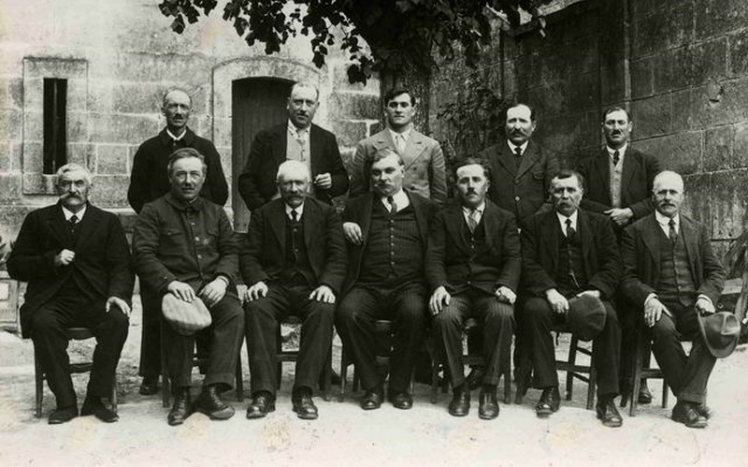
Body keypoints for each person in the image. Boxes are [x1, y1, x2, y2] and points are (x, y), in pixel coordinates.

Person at [8, 163, 133, 424]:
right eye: (66, 184)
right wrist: (51, 260)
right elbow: (16, 265)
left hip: (95, 299)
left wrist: (117, 294)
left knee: (117, 320)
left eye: (79, 183)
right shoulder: (38, 220)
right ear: (57, 188)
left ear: (90, 188)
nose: (73, 189)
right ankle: (65, 402)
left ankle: (95, 398)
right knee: (42, 323)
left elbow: (122, 265)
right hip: (52, 300)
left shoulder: (107, 221)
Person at [132, 148, 244, 426]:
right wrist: (170, 283)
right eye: (181, 174)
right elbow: (143, 254)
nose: (188, 180)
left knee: (235, 314)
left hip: (213, 287)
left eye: (194, 174)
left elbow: (231, 250)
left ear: (204, 178)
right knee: (179, 316)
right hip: (177, 288)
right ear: (170, 177)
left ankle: (212, 390)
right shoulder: (153, 211)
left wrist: (222, 279)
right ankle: (182, 393)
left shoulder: (216, 212)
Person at [128, 88, 229, 396]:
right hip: (162, 239)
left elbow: (219, 192)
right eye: (172, 106)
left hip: (199, 233)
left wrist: (200, 218)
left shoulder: (205, 147)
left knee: (208, 293)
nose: (178, 111)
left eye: (183, 106)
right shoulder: (149, 149)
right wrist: (160, 220)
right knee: (155, 300)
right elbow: (136, 194)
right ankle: (152, 372)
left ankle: (209, 369)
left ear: (190, 112)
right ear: (163, 110)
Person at [241, 160, 346, 420]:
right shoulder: (263, 214)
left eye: (299, 183)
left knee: (323, 309)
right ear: (278, 185)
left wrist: (327, 284)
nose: (294, 188)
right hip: (274, 286)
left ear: (308, 185)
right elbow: (248, 254)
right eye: (287, 183)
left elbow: (338, 255)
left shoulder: (326, 213)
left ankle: (304, 391)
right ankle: (263, 393)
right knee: (256, 307)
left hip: (312, 287)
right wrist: (257, 281)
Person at [621, 171, 725, 428]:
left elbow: (715, 271)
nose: (667, 197)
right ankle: (692, 401)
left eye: (673, 192)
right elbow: (626, 277)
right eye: (662, 192)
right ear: (653, 196)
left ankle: (686, 402)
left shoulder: (697, 229)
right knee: (663, 330)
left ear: (682, 196)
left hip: (691, 305)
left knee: (715, 329)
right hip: (656, 306)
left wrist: (705, 296)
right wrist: (648, 297)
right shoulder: (634, 231)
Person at [336, 149, 438, 410]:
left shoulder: (426, 208)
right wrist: (343, 225)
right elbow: (331, 235)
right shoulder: (357, 206)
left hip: (410, 285)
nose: (383, 178)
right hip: (367, 285)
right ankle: (372, 385)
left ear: (403, 171)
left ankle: (399, 386)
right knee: (347, 313)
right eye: (376, 173)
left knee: (414, 313)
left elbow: (438, 250)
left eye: (389, 171)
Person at [521, 170, 623, 427]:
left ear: (581, 193)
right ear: (550, 194)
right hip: (552, 294)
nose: (564, 196)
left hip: (589, 292)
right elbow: (528, 263)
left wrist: (595, 291)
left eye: (570, 190)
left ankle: (607, 398)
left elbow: (613, 264)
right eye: (558, 190)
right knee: (533, 310)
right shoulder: (534, 224)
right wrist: (549, 290)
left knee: (610, 317)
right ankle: (549, 389)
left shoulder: (600, 223)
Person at [577, 106, 662, 405]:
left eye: (621, 123)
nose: (616, 127)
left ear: (630, 127)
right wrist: (609, 214)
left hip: (638, 241)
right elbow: (580, 198)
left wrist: (630, 212)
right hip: (602, 243)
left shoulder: (647, 162)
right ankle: (609, 375)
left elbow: (656, 198)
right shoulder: (588, 164)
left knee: (637, 307)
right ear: (603, 127)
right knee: (609, 308)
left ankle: (638, 380)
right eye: (610, 122)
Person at [426, 158, 520, 419]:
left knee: (503, 315)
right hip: (454, 289)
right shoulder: (443, 217)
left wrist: (507, 285)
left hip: (491, 290)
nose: (470, 186)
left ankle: (489, 389)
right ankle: (459, 389)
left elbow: (513, 257)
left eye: (476, 180)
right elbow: (434, 256)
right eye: (464, 181)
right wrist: (439, 286)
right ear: (456, 186)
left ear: (487, 185)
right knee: (444, 317)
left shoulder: (504, 218)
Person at [476, 102, 560, 389]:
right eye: (512, 121)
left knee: (528, 301)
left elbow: (553, 197)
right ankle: (481, 366)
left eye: (523, 121)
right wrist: (505, 225)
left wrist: (532, 225)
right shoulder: (488, 156)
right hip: (497, 240)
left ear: (533, 126)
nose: (517, 126)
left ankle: (525, 367)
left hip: (535, 240)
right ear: (505, 125)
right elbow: (483, 196)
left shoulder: (546, 157)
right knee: (489, 293)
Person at [237, 81, 349, 211]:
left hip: (316, 215)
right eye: (298, 102)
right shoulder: (266, 137)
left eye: (309, 103)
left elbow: (343, 181)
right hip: (276, 214)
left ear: (316, 106)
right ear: (288, 103)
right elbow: (246, 181)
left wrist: (331, 182)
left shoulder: (326, 139)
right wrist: (263, 210)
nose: (303, 108)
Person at [349, 86, 447, 203]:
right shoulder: (367, 145)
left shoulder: (430, 145)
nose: (398, 110)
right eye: (393, 105)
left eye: (404, 105)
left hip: (419, 209)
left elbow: (439, 193)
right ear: (385, 110)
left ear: (413, 110)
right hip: (381, 209)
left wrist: (433, 213)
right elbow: (357, 192)